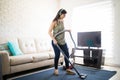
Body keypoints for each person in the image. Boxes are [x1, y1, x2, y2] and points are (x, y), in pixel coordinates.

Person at [48, 8, 75, 76]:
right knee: (57, 55)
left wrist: (67, 30)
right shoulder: (54, 21)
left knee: (66, 54)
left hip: (63, 41)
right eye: (64, 14)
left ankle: (68, 69)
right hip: (56, 42)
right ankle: (56, 70)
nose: (65, 16)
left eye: (65, 14)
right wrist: (54, 40)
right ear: (60, 14)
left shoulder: (62, 21)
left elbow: (61, 30)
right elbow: (49, 32)